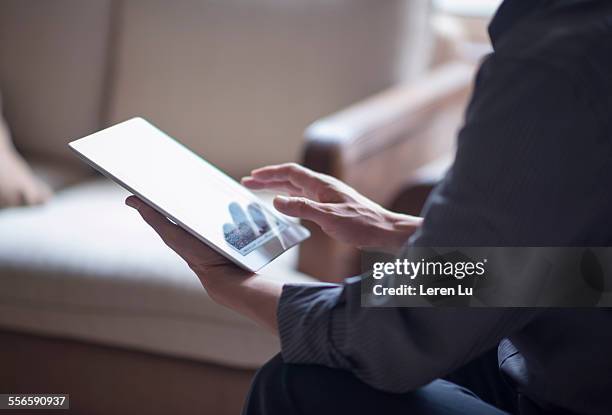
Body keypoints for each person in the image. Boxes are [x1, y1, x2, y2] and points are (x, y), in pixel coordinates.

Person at [126, 0, 612, 413]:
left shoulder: (555, 62)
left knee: (298, 386)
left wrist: (232, 282)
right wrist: (401, 231)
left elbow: (395, 336)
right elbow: (588, 270)